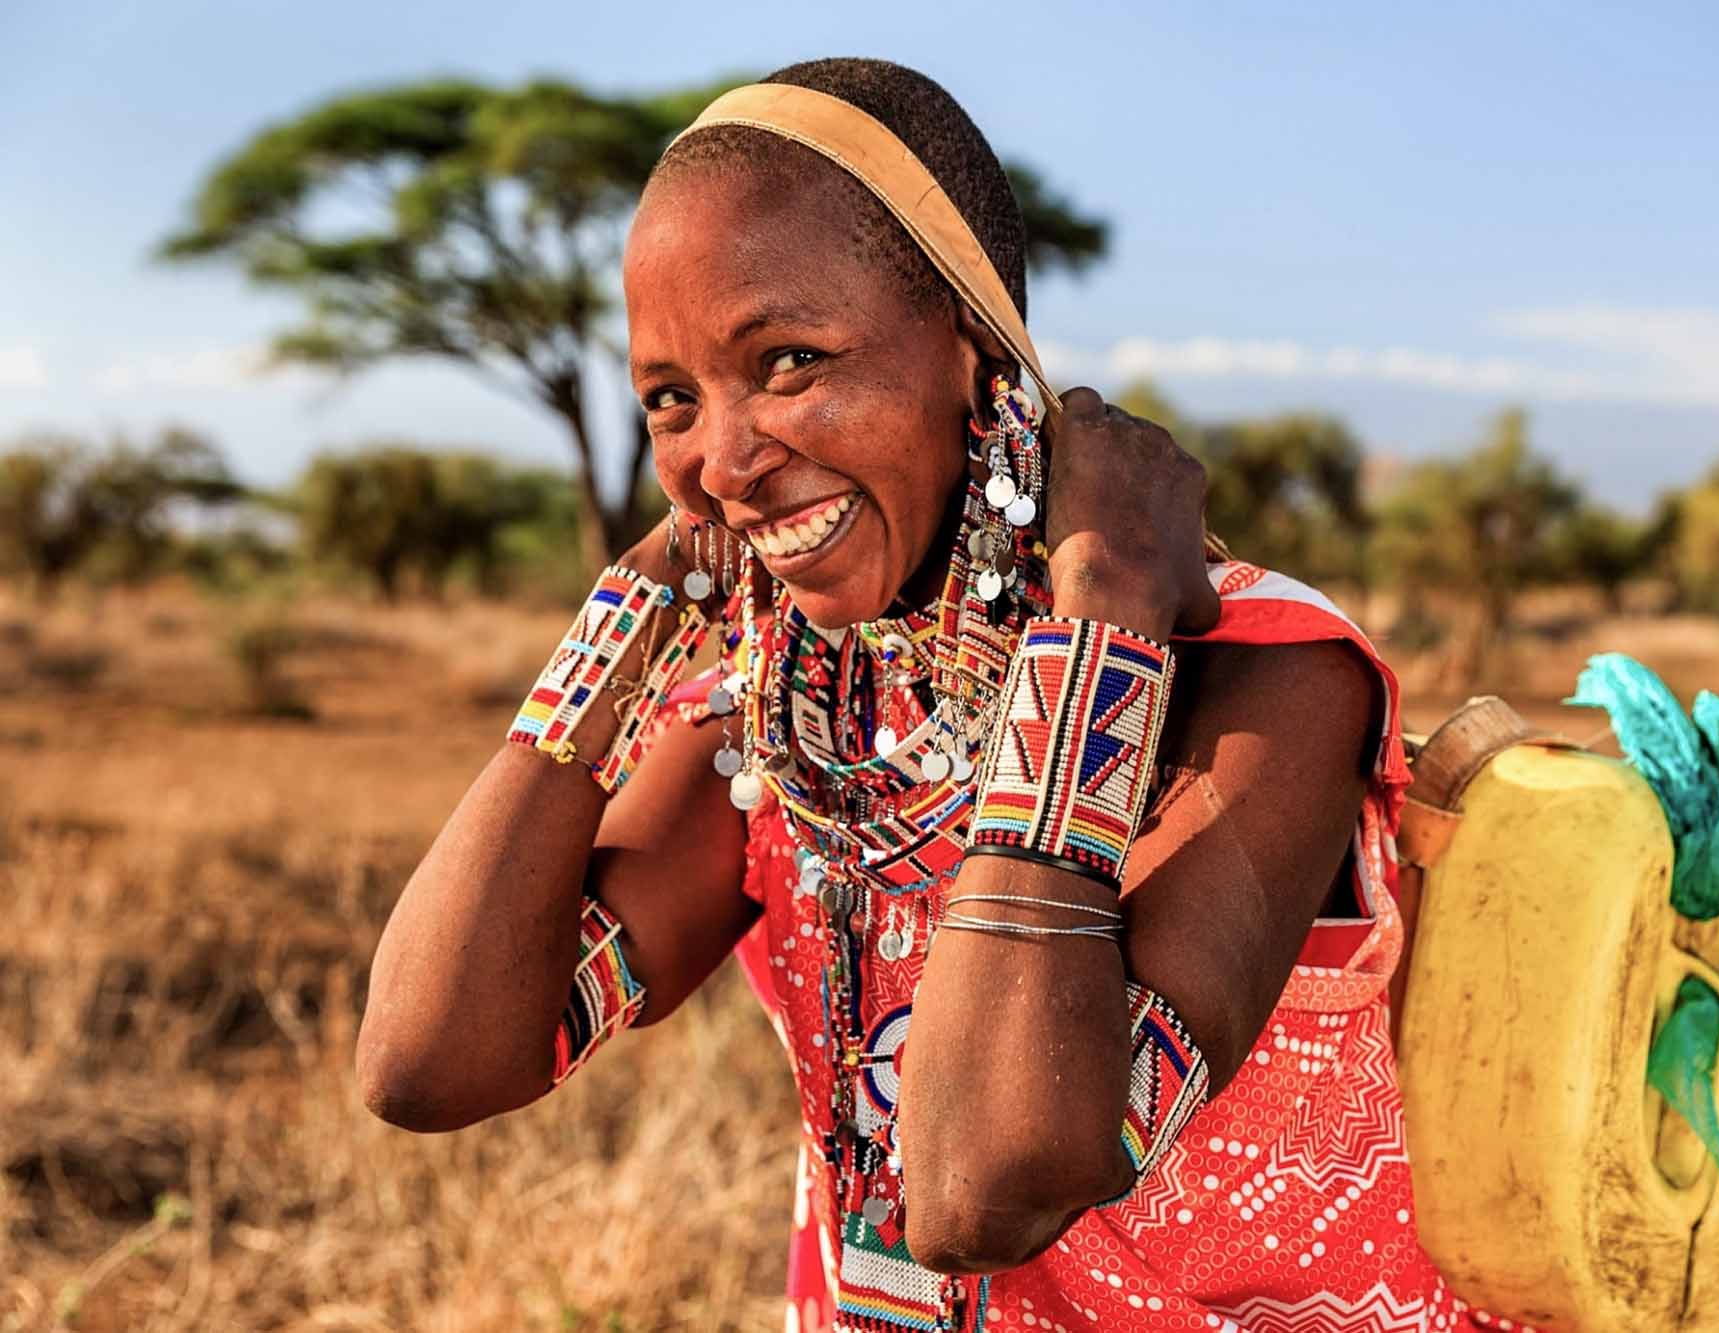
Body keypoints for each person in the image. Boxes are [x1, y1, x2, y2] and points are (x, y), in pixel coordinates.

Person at [358, 57, 1491, 1333]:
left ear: (972, 349)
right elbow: (430, 1057)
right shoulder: (785, 708)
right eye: (671, 397)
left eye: (787, 362)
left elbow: (980, 1182)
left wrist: (1099, 618)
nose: (722, 460)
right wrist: (635, 600)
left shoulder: (1260, 677)